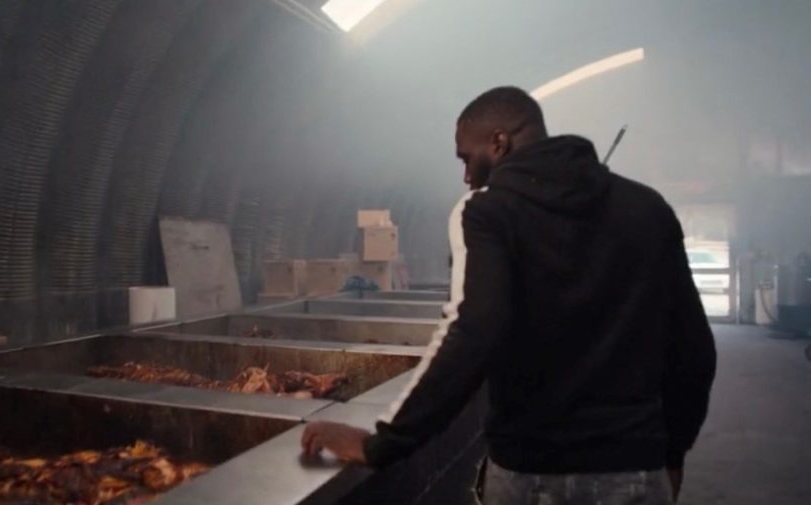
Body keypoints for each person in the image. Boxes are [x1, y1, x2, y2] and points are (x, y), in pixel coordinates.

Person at [301, 86, 717, 504]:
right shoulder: (648, 208)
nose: (466, 176)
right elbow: (693, 348)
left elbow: (474, 331)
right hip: (636, 470)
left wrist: (383, 445)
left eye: (466, 158)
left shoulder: (485, 210)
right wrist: (673, 452)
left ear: (499, 142)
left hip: (531, 473)